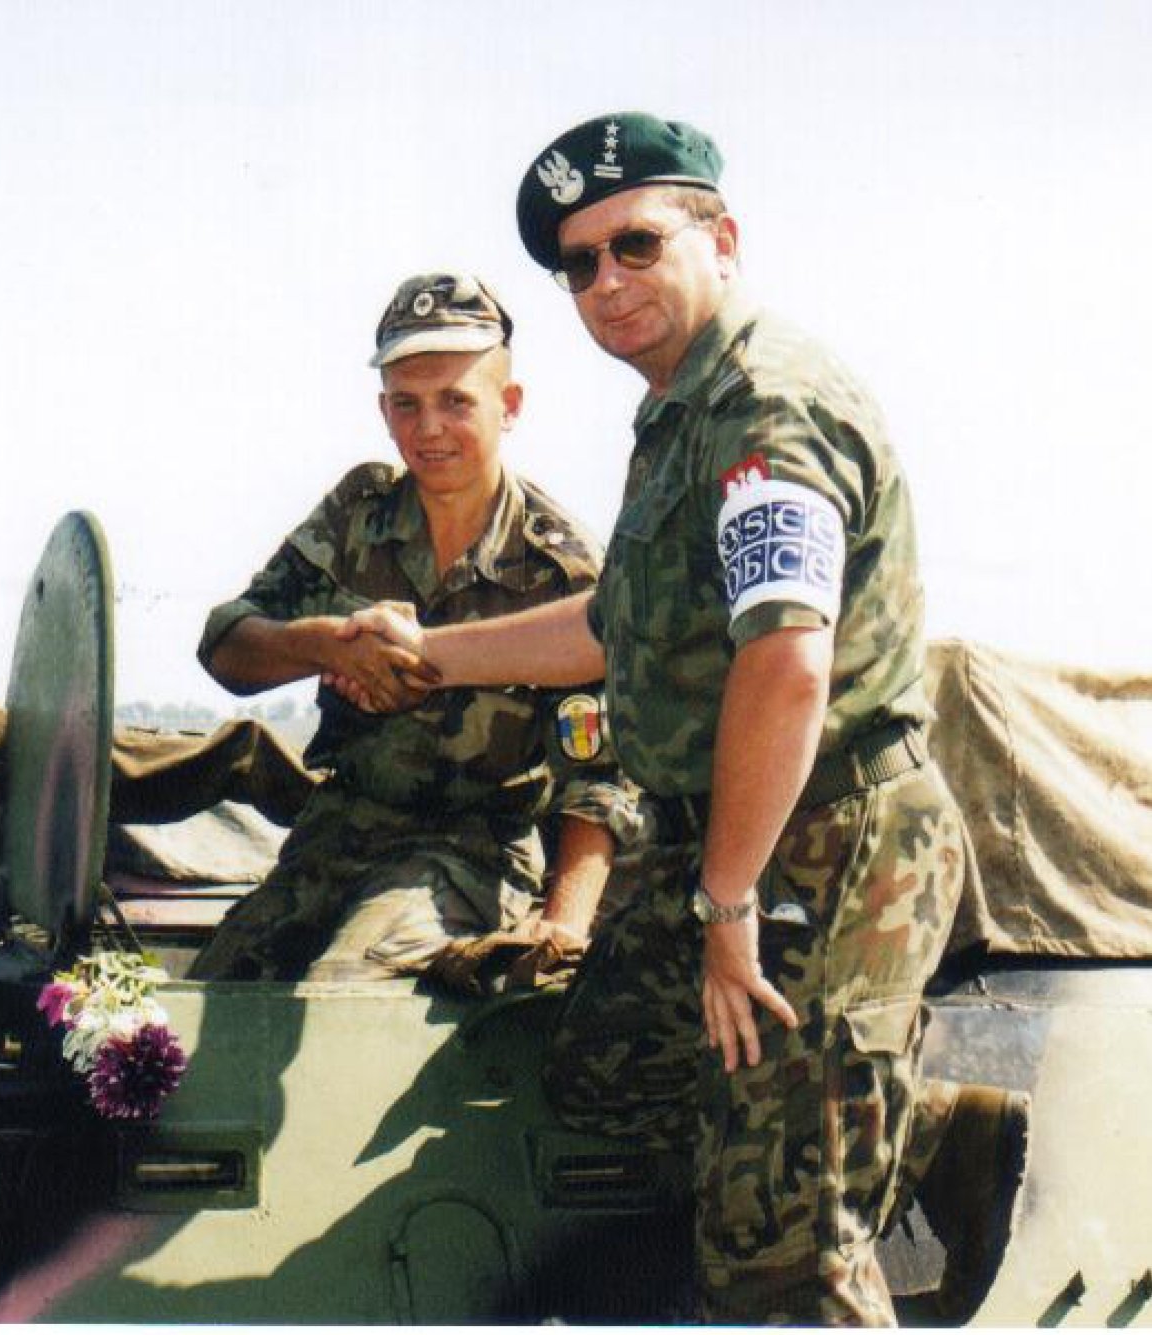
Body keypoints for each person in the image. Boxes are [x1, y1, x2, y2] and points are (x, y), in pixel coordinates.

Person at [337, 117, 1028, 1324]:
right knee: (595, 1076)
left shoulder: (765, 410)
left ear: (720, 238)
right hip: (723, 828)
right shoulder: (676, 412)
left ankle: (825, 1147)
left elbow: (785, 667)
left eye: (635, 245)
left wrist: (726, 904)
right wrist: (426, 656)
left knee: (781, 1251)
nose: (606, 283)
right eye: (578, 264)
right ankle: (895, 1122)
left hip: (824, 844)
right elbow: (613, 625)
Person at [191, 272, 633, 987]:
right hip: (335, 831)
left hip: (470, 854)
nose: (427, 429)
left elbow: (602, 779)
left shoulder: (563, 572)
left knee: (344, 995)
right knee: (208, 1001)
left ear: (508, 405)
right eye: (406, 404)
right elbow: (227, 644)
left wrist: (561, 929)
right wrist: (330, 642)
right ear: (383, 409)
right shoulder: (357, 512)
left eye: (455, 401)